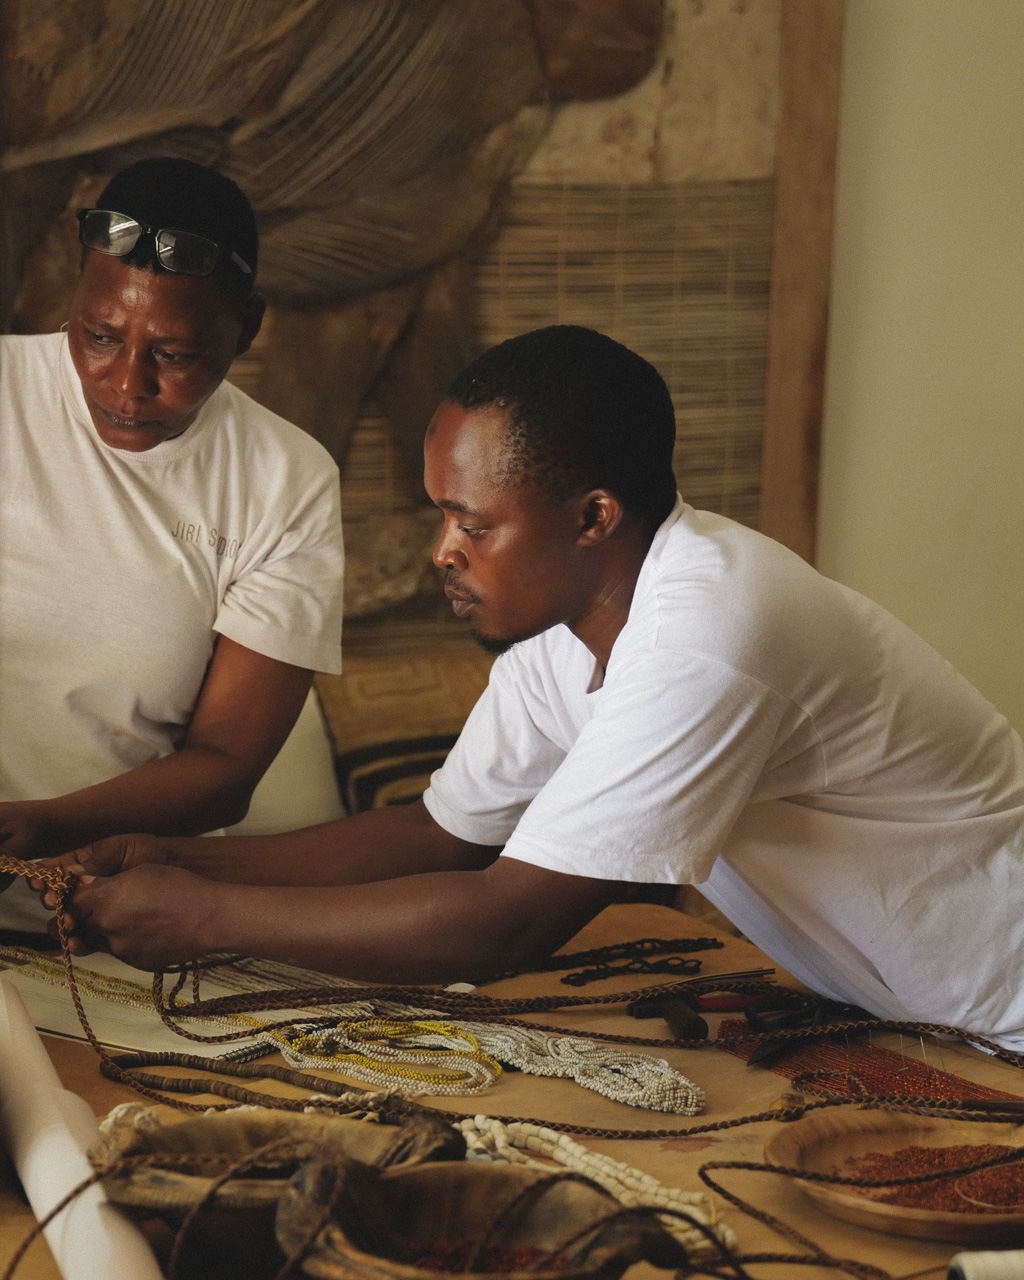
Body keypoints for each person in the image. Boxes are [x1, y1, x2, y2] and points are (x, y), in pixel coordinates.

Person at [33, 326, 1024, 1050]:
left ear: (591, 516)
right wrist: (183, 860)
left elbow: (501, 920)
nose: (441, 553)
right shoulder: (566, 637)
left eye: (472, 523)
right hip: (919, 1020)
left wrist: (202, 919)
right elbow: (438, 834)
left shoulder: (708, 636)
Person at [0, 157, 345, 913]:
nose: (127, 385)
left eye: (175, 355)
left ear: (246, 329)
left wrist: (38, 826)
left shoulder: (284, 480)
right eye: (99, 335)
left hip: (116, 917)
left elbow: (224, 771)